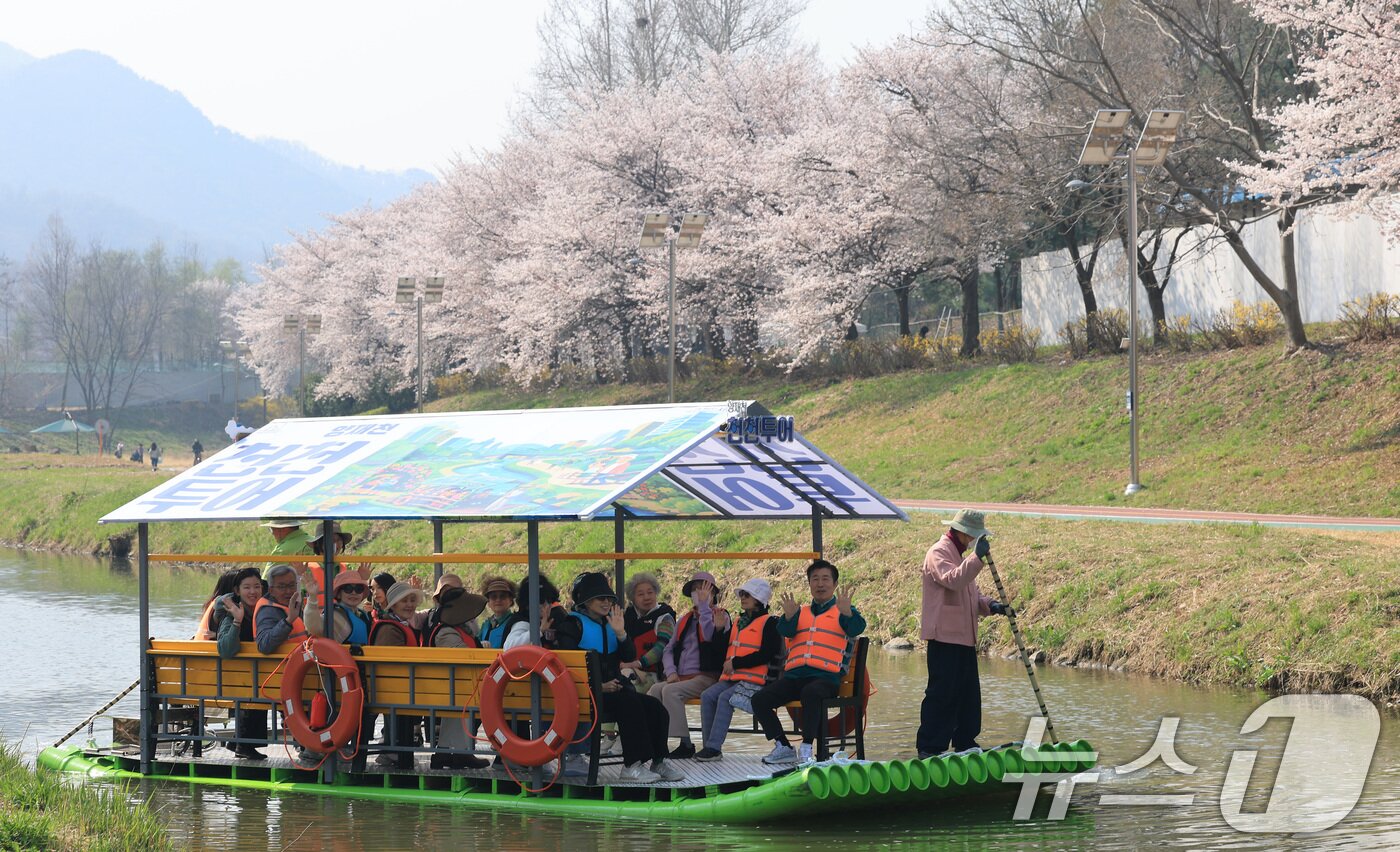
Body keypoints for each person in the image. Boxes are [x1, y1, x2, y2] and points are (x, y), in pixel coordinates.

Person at [555, 572, 682, 783]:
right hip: (584, 695)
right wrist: (599, 686)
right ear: (586, 602)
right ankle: (631, 766)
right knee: (630, 703)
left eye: (609, 599)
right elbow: (566, 668)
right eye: (600, 599)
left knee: (655, 707)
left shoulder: (612, 623)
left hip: (614, 692)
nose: (606, 603)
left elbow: (629, 656)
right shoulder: (571, 626)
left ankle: (658, 761)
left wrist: (621, 634)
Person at [916, 509, 1012, 758]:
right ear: (960, 532)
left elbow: (970, 595)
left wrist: (990, 605)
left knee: (968, 694)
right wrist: (977, 559)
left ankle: (966, 742)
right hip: (944, 637)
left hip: (964, 636)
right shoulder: (938, 552)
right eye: (971, 536)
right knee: (942, 693)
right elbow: (953, 581)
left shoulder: (960, 556)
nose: (972, 541)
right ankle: (930, 747)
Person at [751, 559, 865, 765]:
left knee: (811, 693)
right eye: (815, 579)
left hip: (826, 679)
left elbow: (857, 628)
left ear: (835, 584)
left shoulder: (843, 609)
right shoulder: (799, 611)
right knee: (759, 699)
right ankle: (783, 746)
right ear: (809, 584)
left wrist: (847, 612)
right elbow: (784, 632)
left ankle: (806, 748)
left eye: (825, 579)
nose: (820, 584)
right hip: (795, 677)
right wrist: (788, 617)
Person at [696, 578, 781, 761]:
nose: (742, 598)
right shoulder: (737, 622)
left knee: (726, 698)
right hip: (733, 678)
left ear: (759, 598)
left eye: (747, 594)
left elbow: (767, 653)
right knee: (707, 696)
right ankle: (709, 747)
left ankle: (713, 747)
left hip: (757, 680)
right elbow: (721, 653)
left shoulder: (770, 622)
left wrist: (736, 663)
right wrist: (719, 630)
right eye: (742, 594)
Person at [648, 570, 729, 759]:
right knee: (655, 690)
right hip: (682, 677)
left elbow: (709, 636)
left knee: (670, 692)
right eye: (695, 588)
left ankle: (685, 744)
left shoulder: (721, 616)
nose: (699, 592)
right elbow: (668, 649)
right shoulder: (684, 619)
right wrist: (670, 672)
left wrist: (704, 608)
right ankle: (656, 742)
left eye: (704, 588)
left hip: (706, 677)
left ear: (713, 593)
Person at [423, 575, 491, 770]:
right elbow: (464, 660)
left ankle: (448, 753)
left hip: (456, 688)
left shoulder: (455, 630)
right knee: (459, 700)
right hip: (448, 688)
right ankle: (455, 753)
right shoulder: (445, 633)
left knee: (458, 700)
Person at [210, 568, 267, 759]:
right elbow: (225, 649)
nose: (253, 592)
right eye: (247, 587)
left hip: (256, 677)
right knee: (256, 690)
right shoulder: (229, 614)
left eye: (257, 586)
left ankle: (240, 743)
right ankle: (243, 744)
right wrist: (237, 621)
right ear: (237, 591)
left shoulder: (264, 611)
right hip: (235, 678)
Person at [371, 582, 425, 768]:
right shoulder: (389, 628)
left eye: (412, 600)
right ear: (393, 605)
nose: (409, 604)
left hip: (401, 687)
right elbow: (390, 665)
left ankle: (395, 750)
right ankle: (394, 751)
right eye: (404, 601)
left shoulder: (400, 624)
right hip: (392, 688)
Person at [621, 572, 675, 693]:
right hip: (629, 669)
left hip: (655, 675)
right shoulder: (627, 617)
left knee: (627, 685)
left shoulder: (665, 617)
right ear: (632, 599)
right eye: (640, 594)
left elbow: (662, 647)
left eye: (650, 592)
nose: (647, 597)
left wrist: (637, 664)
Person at [254, 565, 308, 653]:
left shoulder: (292, 604)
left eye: (291, 585)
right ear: (271, 590)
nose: (288, 591)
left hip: (300, 661)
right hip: (280, 664)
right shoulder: (267, 611)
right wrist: (288, 621)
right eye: (282, 587)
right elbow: (264, 645)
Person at [196, 569, 244, 641]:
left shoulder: (214, 601)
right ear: (236, 589)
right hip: (209, 649)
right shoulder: (223, 604)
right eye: (246, 586)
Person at [477, 576, 517, 649]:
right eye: (493, 597)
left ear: (511, 600)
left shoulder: (515, 622)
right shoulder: (486, 624)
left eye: (503, 596)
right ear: (488, 602)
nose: (498, 600)